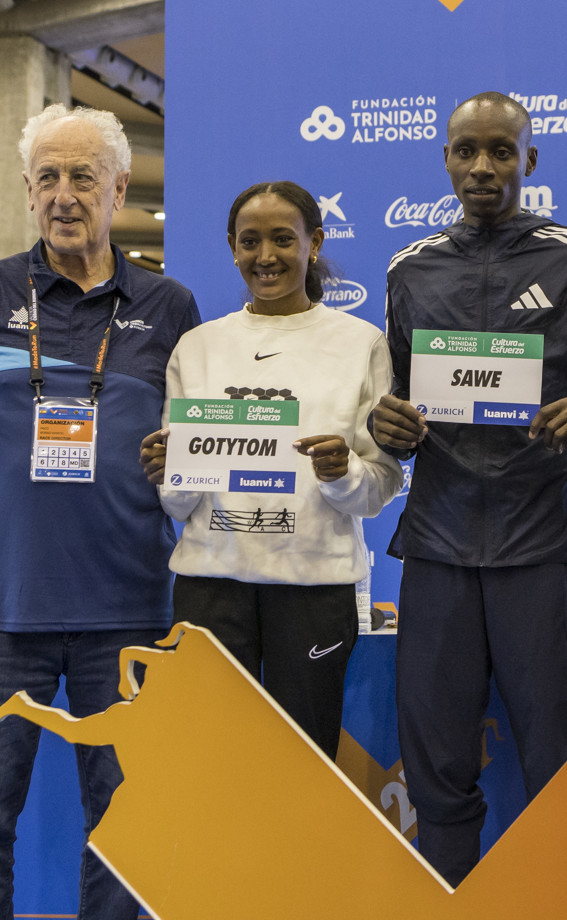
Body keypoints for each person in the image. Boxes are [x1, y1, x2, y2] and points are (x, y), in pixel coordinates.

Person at [0, 104, 201, 920]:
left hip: (130, 611)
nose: (64, 195)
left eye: (82, 176)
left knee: (125, 824)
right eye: (47, 178)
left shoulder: (170, 307)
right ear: (28, 192)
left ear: (119, 186)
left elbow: (198, 445)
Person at [371, 91, 567, 886]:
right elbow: (395, 397)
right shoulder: (409, 269)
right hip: (439, 548)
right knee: (437, 768)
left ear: (530, 159)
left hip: (543, 549)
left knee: (555, 767)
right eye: (466, 151)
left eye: (500, 150)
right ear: (446, 159)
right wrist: (390, 425)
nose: (482, 166)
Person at [137, 181, 403, 757]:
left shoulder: (362, 344)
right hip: (210, 589)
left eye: (283, 239)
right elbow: (181, 505)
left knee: (304, 764)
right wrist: (168, 474)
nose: (266, 257)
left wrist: (343, 475)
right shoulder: (197, 347)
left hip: (313, 591)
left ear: (314, 243)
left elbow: (381, 483)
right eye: (250, 241)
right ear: (232, 247)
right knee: (209, 760)